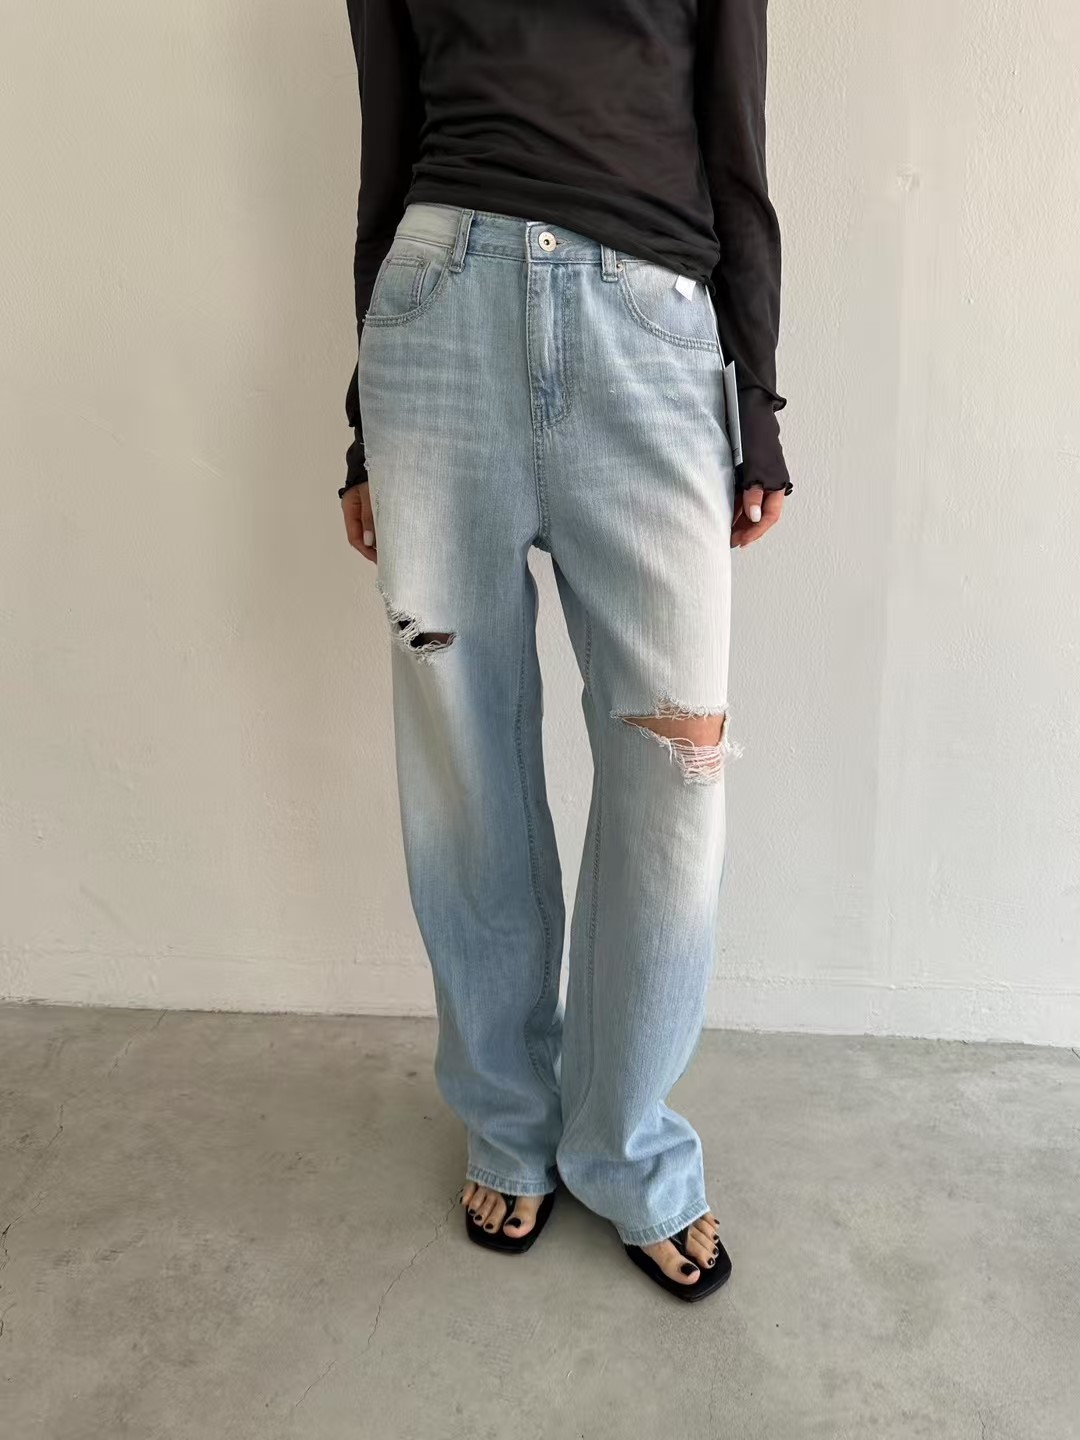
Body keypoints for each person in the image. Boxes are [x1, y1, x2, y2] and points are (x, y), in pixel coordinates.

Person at [338, 0, 790, 1302]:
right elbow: (388, 144)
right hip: (436, 323)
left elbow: (736, 144)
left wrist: (756, 398)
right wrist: (366, 425)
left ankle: (627, 1143)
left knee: (676, 768)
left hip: (650, 327)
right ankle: (508, 1124)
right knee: (464, 772)